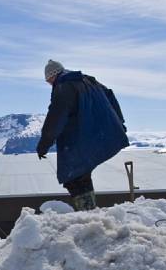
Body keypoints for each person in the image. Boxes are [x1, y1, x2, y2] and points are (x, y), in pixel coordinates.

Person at [36, 60, 129, 210]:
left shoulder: (63, 86)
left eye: (49, 81)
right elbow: (110, 96)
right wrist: (119, 123)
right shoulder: (89, 80)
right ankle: (89, 212)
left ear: (53, 76)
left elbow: (56, 117)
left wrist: (44, 145)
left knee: (74, 177)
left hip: (81, 139)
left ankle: (87, 214)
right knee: (82, 175)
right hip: (98, 136)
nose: (50, 84)